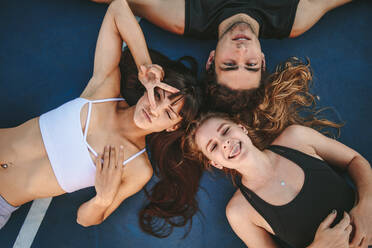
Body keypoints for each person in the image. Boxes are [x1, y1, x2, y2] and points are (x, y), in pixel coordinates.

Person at [0, 0, 201, 229]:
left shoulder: (138, 169)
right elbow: (118, 8)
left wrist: (103, 198)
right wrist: (145, 65)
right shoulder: (105, 91)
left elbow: (84, 219)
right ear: (150, 88)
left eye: (168, 113)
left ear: (172, 127)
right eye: (158, 96)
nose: (154, 109)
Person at [91, 0, 353, 112]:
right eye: (250, 65)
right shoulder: (293, 19)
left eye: (229, 64)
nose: (241, 51)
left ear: (211, 59)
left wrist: (144, 65)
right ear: (262, 61)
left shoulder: (183, 17)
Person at [182, 111, 372, 248]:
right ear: (215, 163)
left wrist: (366, 205)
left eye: (225, 131)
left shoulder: (296, 138)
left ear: (241, 128)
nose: (225, 143)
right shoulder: (239, 212)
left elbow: (354, 160)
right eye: (213, 147)